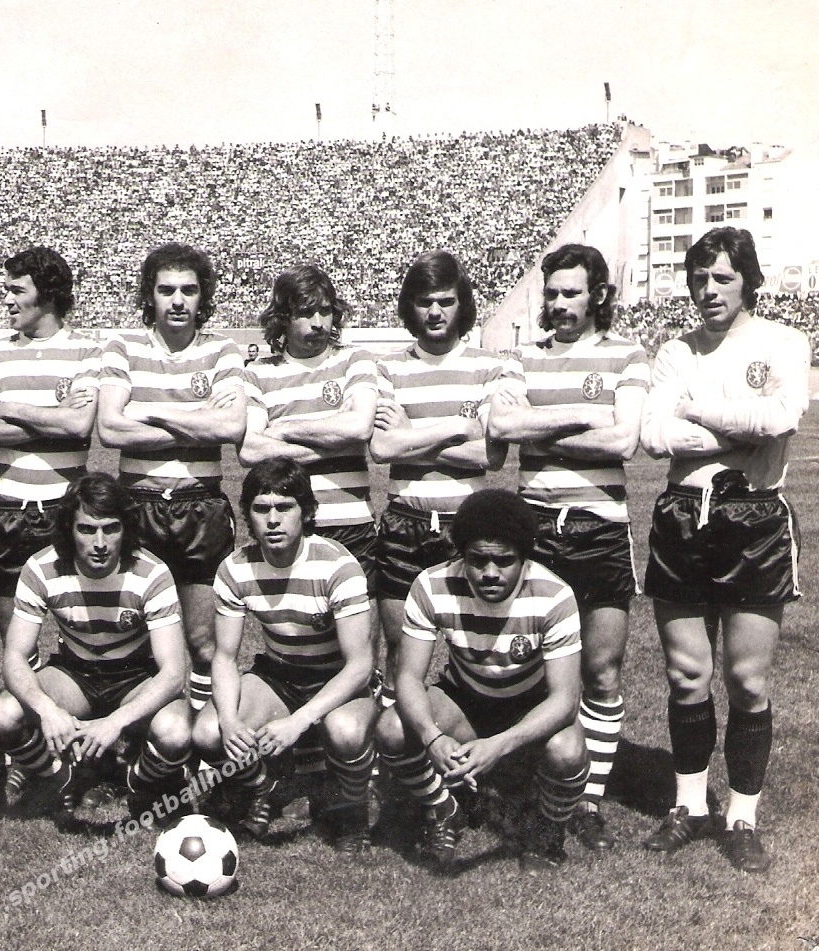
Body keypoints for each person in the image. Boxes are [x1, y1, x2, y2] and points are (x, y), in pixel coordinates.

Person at [638, 226, 808, 873]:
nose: (708, 289)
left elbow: (780, 418)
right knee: (687, 675)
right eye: (699, 278)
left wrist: (700, 412)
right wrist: (739, 429)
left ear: (749, 282)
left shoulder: (783, 342)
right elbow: (654, 435)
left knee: (746, 679)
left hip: (754, 516)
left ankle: (741, 815)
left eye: (722, 278)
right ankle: (689, 806)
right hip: (682, 515)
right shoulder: (675, 352)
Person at [486, 244, 647, 850]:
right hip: (534, 527)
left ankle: (588, 800)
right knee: (528, 665)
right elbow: (503, 427)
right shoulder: (521, 359)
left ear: (597, 295)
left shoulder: (627, 354)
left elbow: (624, 442)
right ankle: (530, 784)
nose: (558, 303)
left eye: (571, 292)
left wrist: (544, 428)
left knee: (601, 671)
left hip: (600, 527)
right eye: (551, 292)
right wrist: (583, 416)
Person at [375, 489, 589, 873]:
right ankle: (445, 808)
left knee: (568, 751)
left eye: (504, 561)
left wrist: (500, 744)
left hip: (529, 706)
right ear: (461, 554)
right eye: (478, 560)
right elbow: (407, 677)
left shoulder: (554, 596)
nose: (490, 573)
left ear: (525, 557)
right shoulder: (431, 585)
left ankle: (547, 829)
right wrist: (432, 737)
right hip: (466, 699)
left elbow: (564, 701)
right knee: (392, 728)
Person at [238, 264, 379, 789]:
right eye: (304, 312)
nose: (318, 323)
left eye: (324, 311)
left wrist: (289, 428)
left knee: (354, 657)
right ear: (282, 316)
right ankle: (306, 768)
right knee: (297, 650)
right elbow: (249, 448)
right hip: (288, 533)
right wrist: (327, 441)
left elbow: (358, 428)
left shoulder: (354, 361)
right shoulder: (258, 374)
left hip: (350, 527)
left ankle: (352, 771)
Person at [192, 459, 377, 854]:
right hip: (279, 674)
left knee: (345, 731)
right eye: (261, 509)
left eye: (284, 507)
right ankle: (265, 787)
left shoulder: (337, 565)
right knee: (208, 733)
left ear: (306, 512)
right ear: (248, 516)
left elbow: (360, 666)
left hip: (336, 678)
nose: (273, 520)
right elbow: (224, 657)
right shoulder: (235, 568)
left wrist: (298, 721)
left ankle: (353, 808)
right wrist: (228, 721)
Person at [0, 473, 193, 829]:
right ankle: (58, 777)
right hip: (75, 674)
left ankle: (138, 782)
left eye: (111, 529)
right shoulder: (42, 567)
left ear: (126, 529)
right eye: (86, 529)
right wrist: (47, 710)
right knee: (3, 715)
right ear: (69, 529)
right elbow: (15, 657)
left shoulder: (152, 573)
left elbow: (174, 673)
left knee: (175, 731)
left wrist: (116, 721)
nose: (99, 543)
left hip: (134, 677)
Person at [98, 242, 246, 713]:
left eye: (189, 290)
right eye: (166, 290)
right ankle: (145, 737)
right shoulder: (123, 347)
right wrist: (196, 418)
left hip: (201, 505)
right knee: (133, 636)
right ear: (150, 295)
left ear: (204, 297)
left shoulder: (222, 349)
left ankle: (202, 736)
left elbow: (231, 428)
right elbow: (109, 428)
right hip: (136, 503)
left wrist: (148, 413)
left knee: (204, 641)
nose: (178, 301)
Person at [370, 250, 511, 706]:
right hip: (404, 522)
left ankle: (465, 738)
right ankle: (394, 742)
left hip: (464, 524)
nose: (435, 311)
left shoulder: (489, 367)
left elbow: (490, 455)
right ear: (410, 307)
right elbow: (382, 449)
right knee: (399, 650)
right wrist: (455, 427)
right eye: (425, 301)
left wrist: (411, 434)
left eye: (446, 301)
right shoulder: (388, 368)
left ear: (461, 304)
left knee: (472, 647)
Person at [0, 246, 101, 657]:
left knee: (80, 632)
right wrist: (52, 417)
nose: (6, 299)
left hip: (65, 508)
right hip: (7, 509)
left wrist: (10, 407)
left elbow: (78, 426)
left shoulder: (87, 351)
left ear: (48, 294)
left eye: (16, 290)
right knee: (16, 644)